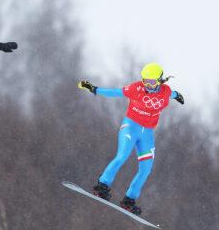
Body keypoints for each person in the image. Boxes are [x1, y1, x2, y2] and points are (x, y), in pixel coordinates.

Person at [77, 62, 184, 215]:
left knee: (146, 169)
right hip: (131, 127)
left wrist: (178, 95)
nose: (147, 84)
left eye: (152, 82)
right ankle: (102, 186)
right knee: (122, 156)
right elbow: (116, 92)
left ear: (159, 81)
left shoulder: (165, 91)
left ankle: (129, 200)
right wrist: (94, 89)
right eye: (145, 80)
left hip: (147, 133)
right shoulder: (136, 88)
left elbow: (171, 93)